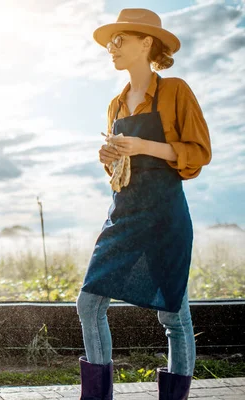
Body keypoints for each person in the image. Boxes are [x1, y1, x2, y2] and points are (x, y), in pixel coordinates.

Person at [77, 8, 212, 400]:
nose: (111, 48)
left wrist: (141, 146)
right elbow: (120, 172)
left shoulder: (175, 91)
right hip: (123, 212)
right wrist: (111, 158)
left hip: (165, 214)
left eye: (120, 40)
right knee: (88, 303)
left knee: (173, 314)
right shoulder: (116, 105)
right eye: (109, 43)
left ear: (146, 42)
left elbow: (198, 153)